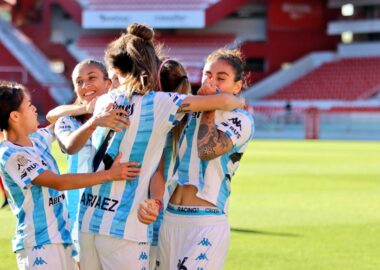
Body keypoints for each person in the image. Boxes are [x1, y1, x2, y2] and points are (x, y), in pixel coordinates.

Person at [78, 23, 245, 270]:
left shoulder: (103, 101)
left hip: (88, 218)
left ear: (114, 68)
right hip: (126, 224)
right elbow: (223, 100)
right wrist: (237, 99)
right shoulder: (158, 103)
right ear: (150, 66)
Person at [0, 81, 139, 270]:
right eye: (29, 105)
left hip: (62, 240)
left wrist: (91, 109)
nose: (35, 110)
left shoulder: (37, 140)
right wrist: (109, 175)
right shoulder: (10, 154)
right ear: (15, 116)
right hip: (39, 245)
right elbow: (59, 183)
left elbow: (57, 118)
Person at [155, 48, 255, 270]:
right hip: (170, 219)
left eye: (221, 78)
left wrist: (210, 103)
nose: (212, 81)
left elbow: (207, 149)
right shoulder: (188, 109)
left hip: (205, 221)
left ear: (237, 86)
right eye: (208, 75)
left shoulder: (241, 119)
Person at [46, 59, 134, 260]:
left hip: (118, 209)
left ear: (108, 82)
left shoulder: (125, 113)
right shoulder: (68, 120)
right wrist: (89, 113)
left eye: (92, 78)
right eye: (79, 82)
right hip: (79, 212)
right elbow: (69, 145)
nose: (85, 86)